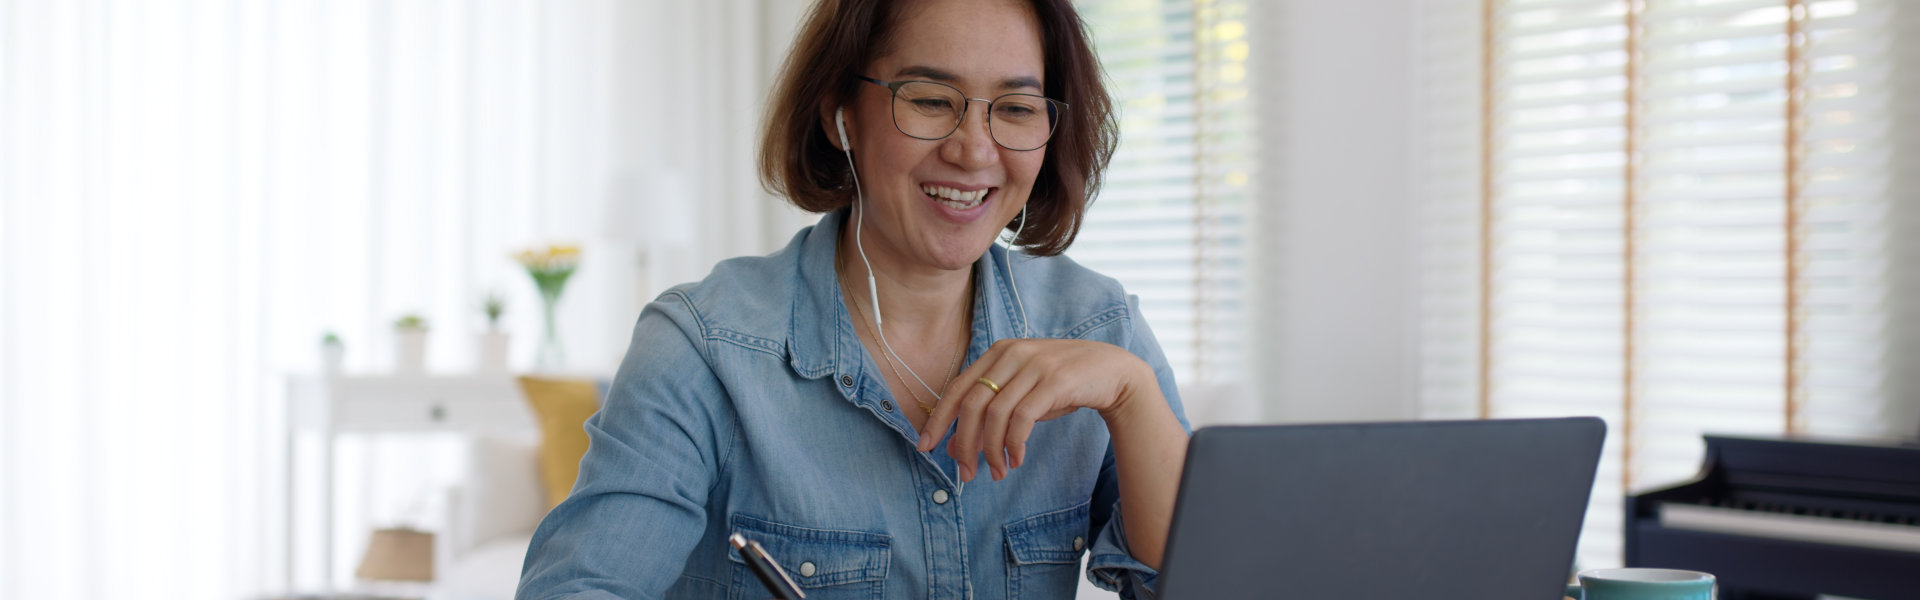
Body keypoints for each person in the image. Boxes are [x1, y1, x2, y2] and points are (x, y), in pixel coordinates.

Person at [515, 0, 1190, 598]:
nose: (975, 150)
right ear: (840, 114)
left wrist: (1131, 396)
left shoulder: (1102, 330)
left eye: (1014, 109)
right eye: (930, 99)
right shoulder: (704, 346)